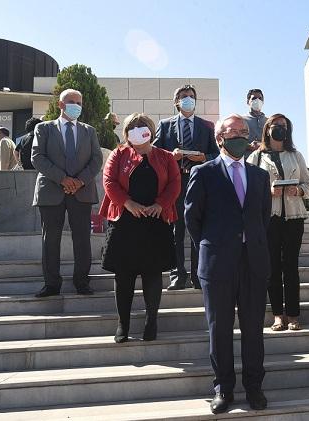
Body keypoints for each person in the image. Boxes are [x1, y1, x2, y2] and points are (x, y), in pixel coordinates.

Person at [185, 114, 271, 414]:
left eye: (245, 132)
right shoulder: (204, 172)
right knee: (219, 328)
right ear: (219, 137)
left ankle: (254, 387)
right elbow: (192, 218)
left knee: (253, 329)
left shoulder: (260, 176)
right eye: (234, 131)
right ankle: (223, 388)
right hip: (218, 263)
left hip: (253, 262)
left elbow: (263, 217)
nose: (241, 136)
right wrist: (213, 246)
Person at [99, 113, 180, 343]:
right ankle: (122, 324)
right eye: (132, 127)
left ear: (151, 131)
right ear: (125, 133)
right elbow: (109, 182)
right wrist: (128, 203)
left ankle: (151, 321)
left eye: (142, 127)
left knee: (153, 275)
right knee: (123, 276)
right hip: (125, 222)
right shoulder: (118, 154)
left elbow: (175, 183)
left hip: (155, 222)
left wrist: (160, 204)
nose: (137, 131)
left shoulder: (165, 156)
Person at [31, 88, 103, 297]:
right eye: (72, 102)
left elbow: (96, 159)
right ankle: (51, 284)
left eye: (79, 102)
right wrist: (63, 179)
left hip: (82, 191)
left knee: (82, 238)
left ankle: (82, 282)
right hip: (51, 191)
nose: (77, 106)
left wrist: (79, 181)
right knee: (50, 239)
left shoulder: (89, 131)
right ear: (61, 105)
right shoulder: (44, 128)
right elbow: (37, 157)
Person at [248, 114, 309, 331]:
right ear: (267, 129)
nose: (280, 129)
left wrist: (300, 190)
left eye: (284, 126)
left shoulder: (296, 155)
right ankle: (278, 315)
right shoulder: (256, 157)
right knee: (273, 267)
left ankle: (293, 314)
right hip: (269, 219)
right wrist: (268, 192)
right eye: (276, 125)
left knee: (291, 267)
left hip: (294, 218)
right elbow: (247, 189)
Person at [154, 84, 219, 290]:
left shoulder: (207, 126)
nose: (188, 99)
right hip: (175, 183)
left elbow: (217, 155)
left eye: (191, 96)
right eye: (184, 97)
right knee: (176, 231)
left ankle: (198, 275)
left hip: (199, 182)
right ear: (176, 102)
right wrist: (169, 156)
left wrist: (203, 157)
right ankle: (177, 275)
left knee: (196, 229)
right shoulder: (164, 125)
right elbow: (154, 153)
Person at [242, 88, 267, 153]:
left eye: (260, 98)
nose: (257, 100)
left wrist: (263, 145)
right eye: (254, 98)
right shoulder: (241, 120)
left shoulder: (269, 121)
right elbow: (236, 142)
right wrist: (250, 146)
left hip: (265, 159)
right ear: (248, 102)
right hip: (247, 159)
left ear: (263, 102)